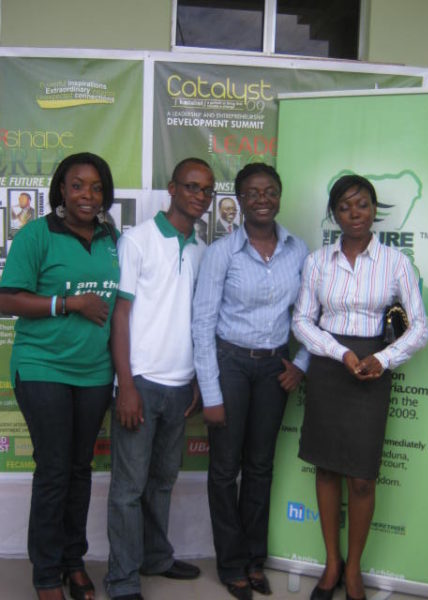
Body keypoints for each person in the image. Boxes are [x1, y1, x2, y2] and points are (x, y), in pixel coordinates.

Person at [291, 174, 428, 600]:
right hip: (331, 368)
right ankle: (332, 565)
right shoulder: (317, 262)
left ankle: (355, 570)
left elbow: (420, 328)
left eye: (363, 204)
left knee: (363, 479)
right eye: (346, 206)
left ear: (374, 210)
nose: (355, 213)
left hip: (372, 371)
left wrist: (381, 359)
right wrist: (339, 353)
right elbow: (301, 321)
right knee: (327, 468)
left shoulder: (396, 263)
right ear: (334, 214)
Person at [0, 152, 120, 600]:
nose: (87, 195)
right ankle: (47, 574)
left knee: (80, 469)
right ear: (61, 191)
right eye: (77, 186)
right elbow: (7, 299)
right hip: (43, 366)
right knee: (53, 471)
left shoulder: (110, 237)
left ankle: (75, 561)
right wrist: (67, 304)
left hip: (93, 371)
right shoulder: (36, 234)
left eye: (95, 187)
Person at [192, 162, 309, 600]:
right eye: (253, 192)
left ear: (279, 196)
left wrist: (302, 362)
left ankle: (255, 559)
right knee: (225, 470)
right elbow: (202, 323)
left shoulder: (298, 250)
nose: (262, 199)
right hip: (230, 364)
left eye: (270, 191)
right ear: (238, 200)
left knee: (260, 467)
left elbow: (312, 315)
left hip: (274, 369)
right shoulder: (222, 252)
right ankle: (231, 563)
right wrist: (212, 390)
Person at [104, 157, 215, 600]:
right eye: (191, 187)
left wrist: (194, 380)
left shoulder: (203, 250)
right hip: (142, 383)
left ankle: (156, 557)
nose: (200, 196)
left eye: (206, 190)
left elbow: (194, 321)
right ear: (171, 188)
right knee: (128, 489)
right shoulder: (138, 240)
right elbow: (121, 314)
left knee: (163, 481)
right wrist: (125, 384)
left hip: (179, 385)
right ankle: (122, 579)